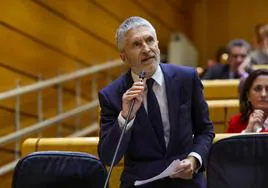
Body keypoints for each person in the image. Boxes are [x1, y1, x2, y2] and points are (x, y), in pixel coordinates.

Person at [98, 16, 214, 188]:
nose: (146, 49)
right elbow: (109, 157)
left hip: (186, 182)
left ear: (157, 45)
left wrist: (194, 159)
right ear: (123, 57)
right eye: (136, 44)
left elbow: (205, 130)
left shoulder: (186, 78)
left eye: (150, 40)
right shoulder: (112, 95)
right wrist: (125, 118)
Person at [227, 69, 268, 133]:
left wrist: (258, 130)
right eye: (258, 89)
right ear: (248, 95)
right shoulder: (235, 122)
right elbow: (228, 143)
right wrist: (248, 131)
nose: (263, 94)